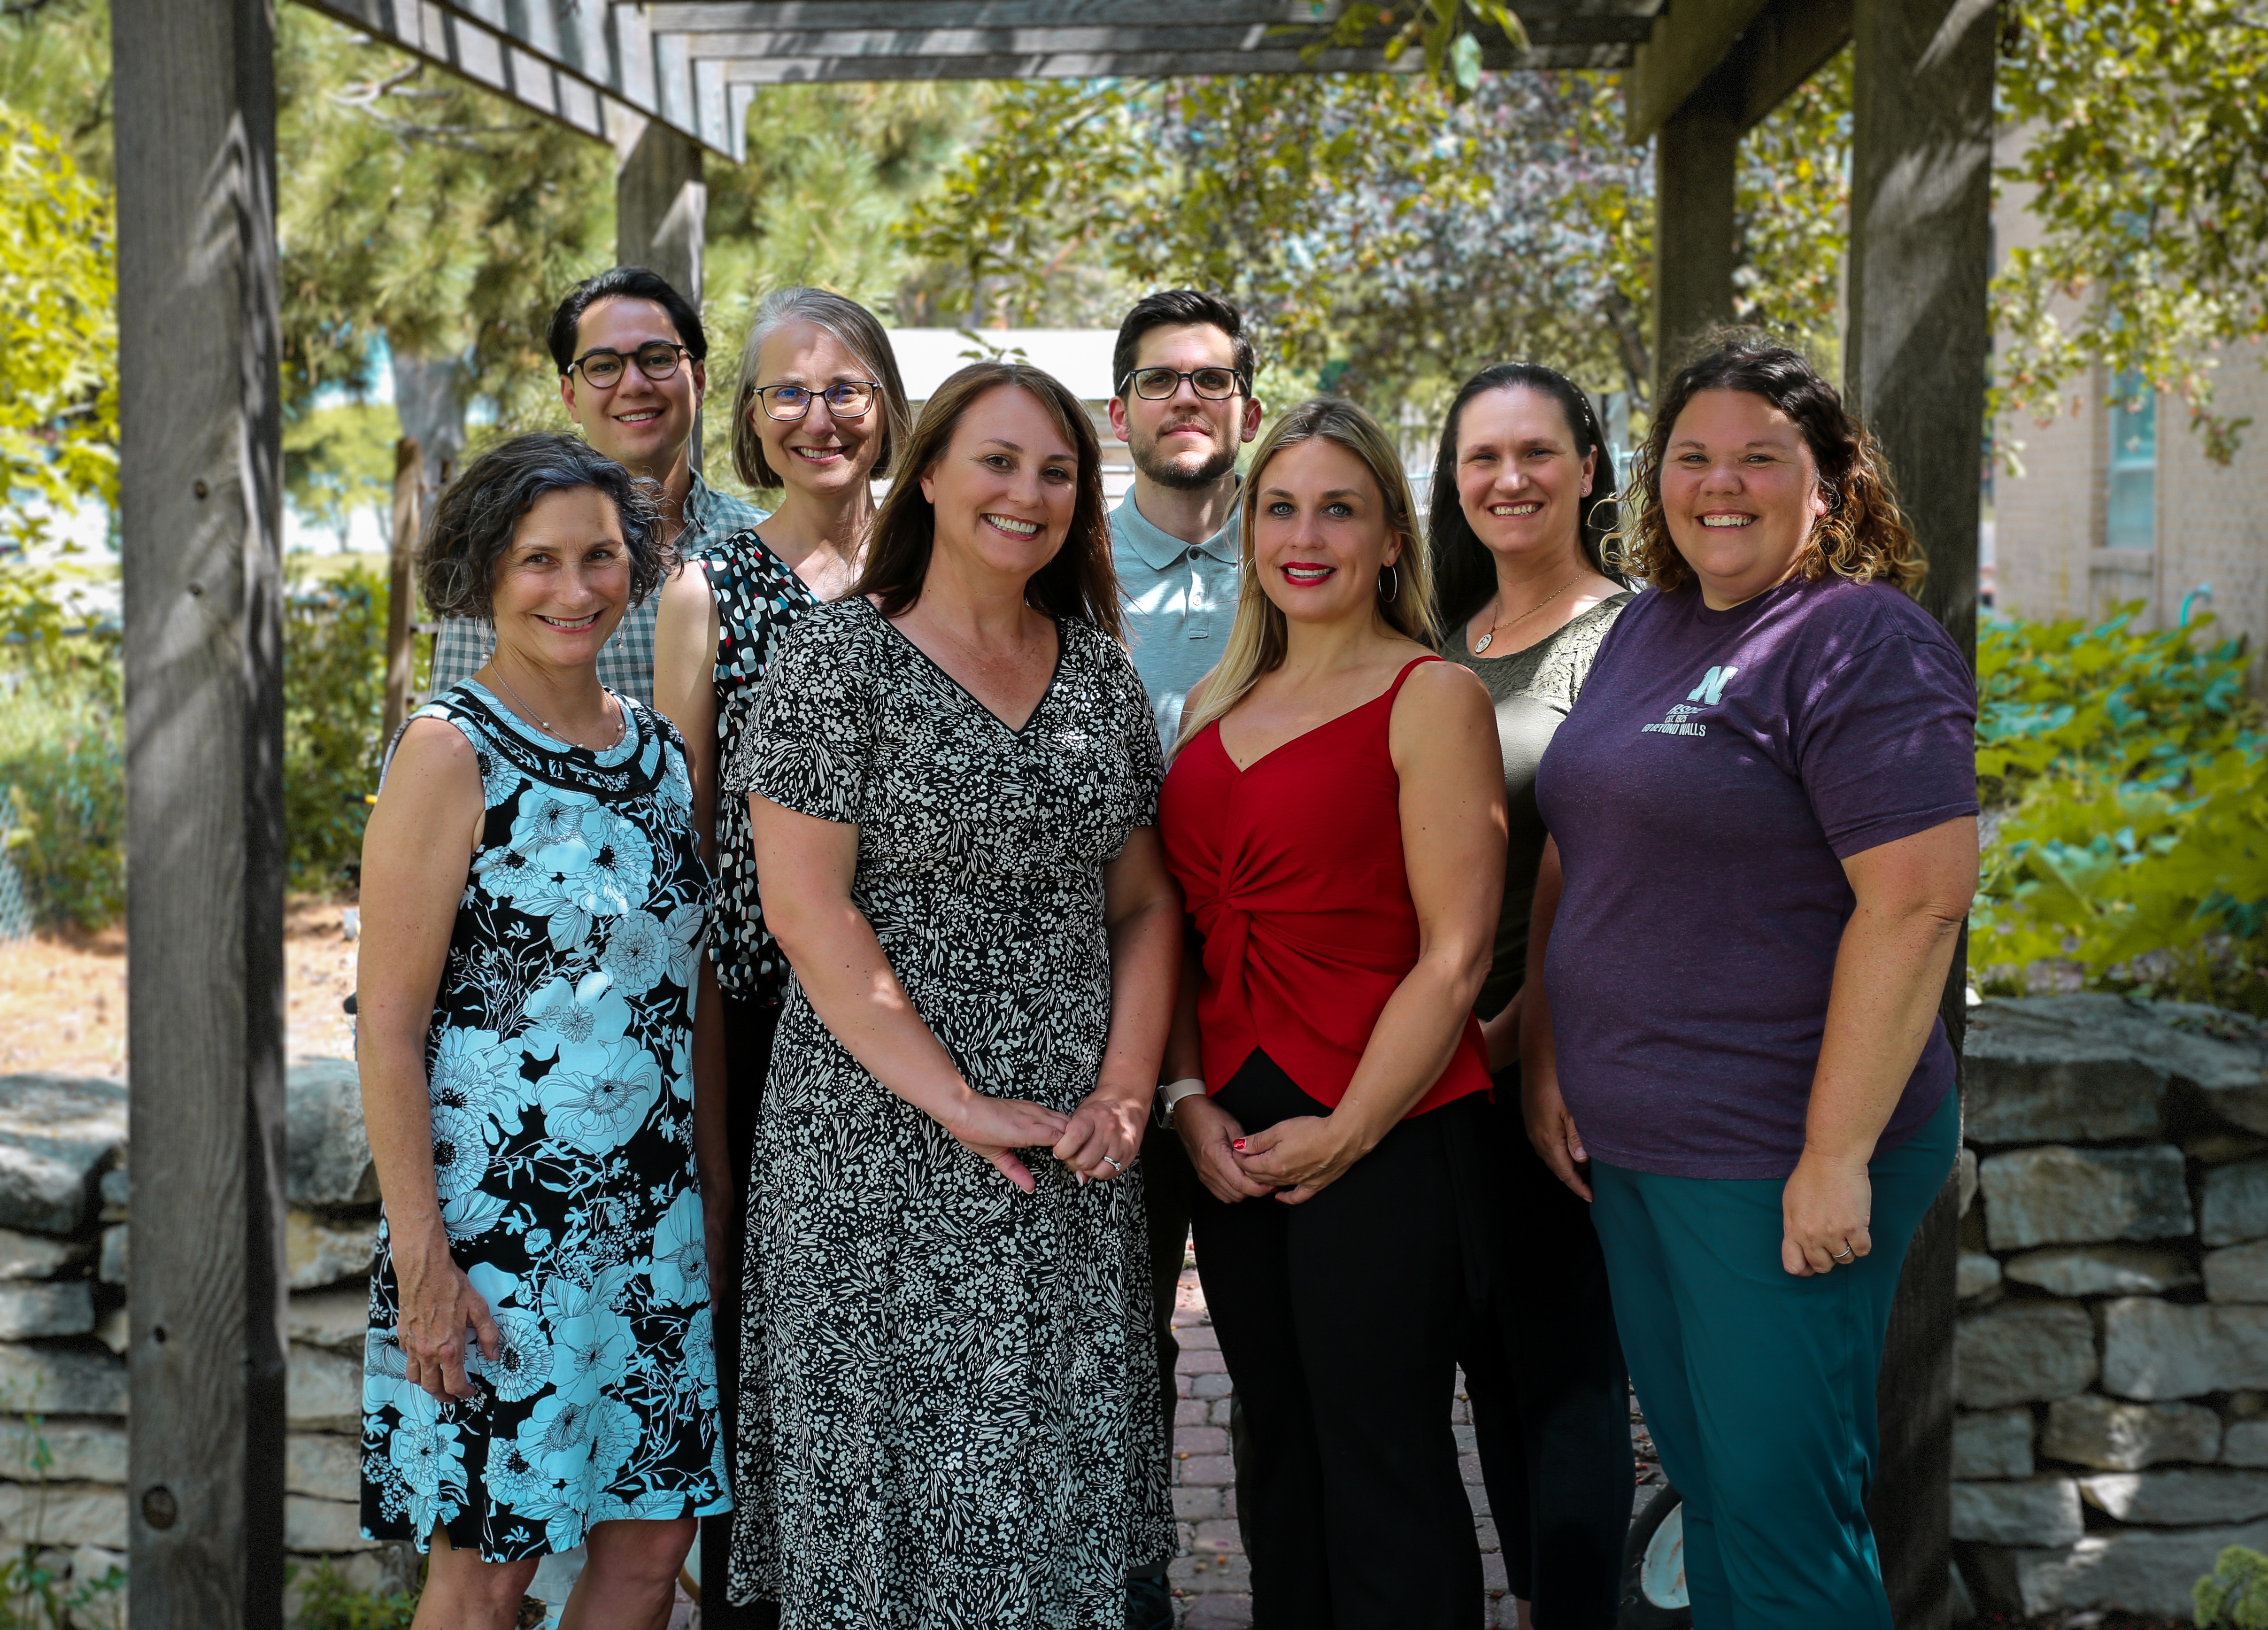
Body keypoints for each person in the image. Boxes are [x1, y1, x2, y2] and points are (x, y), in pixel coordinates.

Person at [1523, 332, 1977, 1630]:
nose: (1719, 484)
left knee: (1782, 1522)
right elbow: (1588, 847)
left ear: (1827, 483)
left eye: (1759, 459)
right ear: (1654, 479)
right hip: (1640, 1145)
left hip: (1775, 1154)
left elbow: (1916, 899)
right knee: (1711, 1501)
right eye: (1691, 456)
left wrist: (1831, 1153)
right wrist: (1553, 1059)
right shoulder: (1651, 625)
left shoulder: (1856, 641)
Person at [724, 362, 1179, 1623]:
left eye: (1054, 469)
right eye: (995, 459)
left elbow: (1142, 900)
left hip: (1070, 1147)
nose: (1025, 492)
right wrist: (961, 1103)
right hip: (873, 1147)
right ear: (927, 472)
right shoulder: (832, 664)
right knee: (898, 1510)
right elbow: (808, 914)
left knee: (1055, 1487)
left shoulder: (1098, 674)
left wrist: (1127, 1087)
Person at [355, 433, 726, 1630]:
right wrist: (424, 1260)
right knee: (486, 1571)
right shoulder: (446, 751)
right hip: (497, 1242)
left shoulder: (663, 754)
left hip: (652, 1228)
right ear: (484, 573)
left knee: (649, 1544)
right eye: (539, 561)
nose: (576, 589)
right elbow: (389, 1028)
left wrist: (710, 1203)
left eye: (601, 557)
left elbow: (690, 1001)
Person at [1159, 397, 1506, 1627]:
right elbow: (1183, 934)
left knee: (1382, 1453)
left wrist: (1351, 1126)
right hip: (1236, 1137)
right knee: (1279, 1447)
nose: (1304, 535)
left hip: (1391, 1125)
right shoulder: (1207, 704)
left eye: (1338, 508)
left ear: (1390, 538)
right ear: (1249, 528)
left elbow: (1457, 956)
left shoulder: (1431, 698)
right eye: (1280, 506)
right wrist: (1188, 1100)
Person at [647, 286, 910, 1629]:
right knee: (769, 1358)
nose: (819, 414)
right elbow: (681, 866)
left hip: (938, 1020)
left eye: (844, 384)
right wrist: (702, 1108)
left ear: (886, 401)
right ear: (747, 419)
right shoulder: (708, 589)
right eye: (785, 392)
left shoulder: (941, 577)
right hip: (767, 1027)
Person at [1426, 363, 1636, 1630]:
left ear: (1589, 466)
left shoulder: (1631, 639)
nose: (1507, 479)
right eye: (1479, 458)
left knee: (1564, 1377)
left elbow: (1613, 873)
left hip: (1555, 1073)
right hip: (1449, 1069)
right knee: (1489, 1372)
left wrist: (1520, 1048)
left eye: (1535, 453)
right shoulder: (1452, 643)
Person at [1102, 287, 1263, 1630]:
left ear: (1245, 410)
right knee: (1115, 1339)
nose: (1185, 400)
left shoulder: (1301, 563)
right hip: (1100, 1022)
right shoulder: (1062, 570)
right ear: (1119, 413)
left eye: (1209, 380)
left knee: (1283, 1336)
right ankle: (1130, 1583)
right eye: (1159, 380)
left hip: (1274, 1010)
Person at [427, 266, 764, 702]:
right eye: (604, 366)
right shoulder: (501, 550)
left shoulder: (762, 546)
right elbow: (451, 736)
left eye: (658, 358)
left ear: (698, 382)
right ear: (570, 396)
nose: (635, 385)